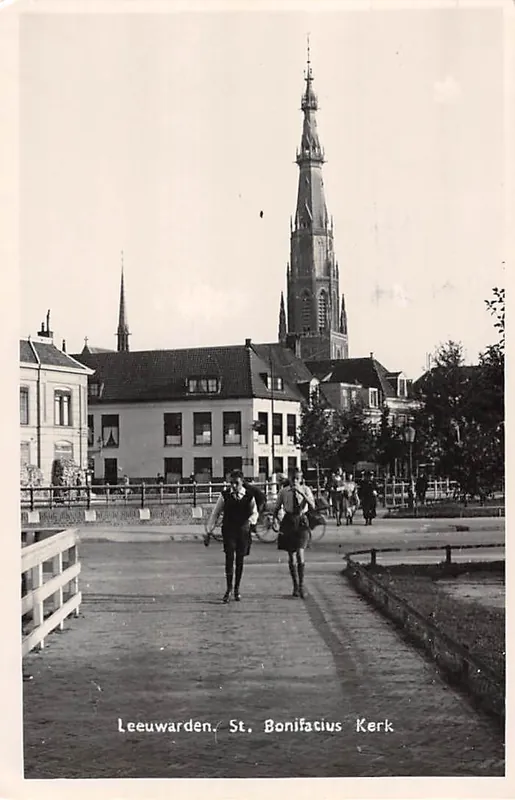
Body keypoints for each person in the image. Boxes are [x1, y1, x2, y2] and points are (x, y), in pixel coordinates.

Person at [205, 470, 259, 603]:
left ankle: (237, 589)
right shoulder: (224, 496)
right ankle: (228, 589)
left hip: (243, 531)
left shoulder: (249, 496)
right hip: (229, 530)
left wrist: (250, 521)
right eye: (231, 483)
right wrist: (209, 530)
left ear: (242, 482)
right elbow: (215, 513)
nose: (234, 486)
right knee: (229, 558)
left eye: (237, 483)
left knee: (240, 559)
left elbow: (255, 513)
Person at [273, 467, 315, 599]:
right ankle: (295, 585)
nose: (295, 481)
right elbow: (276, 507)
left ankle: (301, 585)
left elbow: (313, 505)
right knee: (291, 556)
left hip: (301, 521)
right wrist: (275, 520)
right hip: (289, 521)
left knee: (300, 553)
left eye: (297, 478)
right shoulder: (284, 492)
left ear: (301, 479)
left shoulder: (306, 489)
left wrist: (302, 494)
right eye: (293, 478)